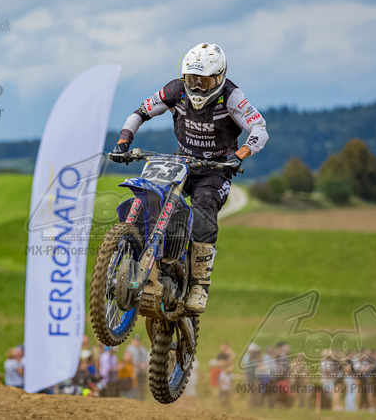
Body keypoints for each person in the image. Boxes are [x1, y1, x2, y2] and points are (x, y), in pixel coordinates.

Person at [112, 43, 269, 313]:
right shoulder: (175, 90)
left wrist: (240, 155)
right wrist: (123, 141)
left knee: (203, 209)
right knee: (151, 193)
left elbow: (260, 128)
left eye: (203, 81)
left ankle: (199, 285)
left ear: (219, 78)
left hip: (216, 168)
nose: (196, 87)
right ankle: (139, 255)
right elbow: (140, 112)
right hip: (183, 159)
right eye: (192, 79)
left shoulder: (232, 96)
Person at [125, 334, 149, 400]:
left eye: (138, 340)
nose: (137, 342)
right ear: (132, 340)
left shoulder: (143, 349)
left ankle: (141, 400)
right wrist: (138, 365)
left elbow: (146, 360)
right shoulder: (130, 348)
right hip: (133, 371)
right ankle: (132, 400)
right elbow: (127, 360)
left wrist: (144, 366)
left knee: (142, 387)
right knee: (133, 388)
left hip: (142, 372)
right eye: (135, 340)